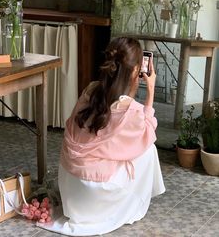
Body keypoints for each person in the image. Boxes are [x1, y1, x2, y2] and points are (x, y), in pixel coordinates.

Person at [38, 37, 165, 236]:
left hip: (70, 182)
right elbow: (148, 133)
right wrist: (150, 92)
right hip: (92, 192)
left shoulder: (90, 90)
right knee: (149, 148)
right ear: (136, 71)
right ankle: (132, 201)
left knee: (128, 146)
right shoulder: (130, 110)